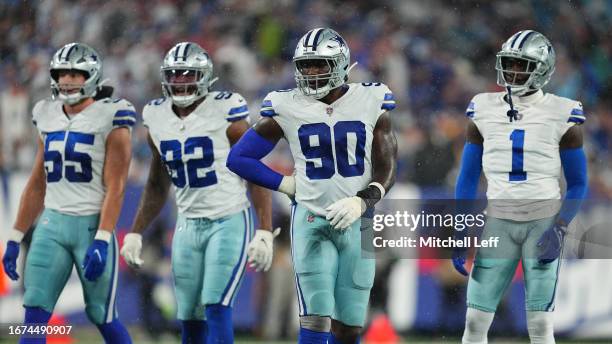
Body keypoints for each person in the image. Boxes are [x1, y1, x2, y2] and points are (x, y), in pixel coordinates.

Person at [226, 28, 398, 344]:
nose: (311, 72)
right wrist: (287, 184)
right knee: (316, 319)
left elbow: (388, 164)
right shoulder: (287, 105)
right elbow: (238, 159)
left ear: (342, 64)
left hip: (359, 223)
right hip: (311, 218)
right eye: (306, 65)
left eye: (319, 64)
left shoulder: (371, 99)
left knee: (349, 327)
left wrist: (363, 200)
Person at [119, 42, 274, 344]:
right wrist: (136, 232)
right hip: (188, 224)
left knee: (216, 302)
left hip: (228, 219)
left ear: (205, 77)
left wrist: (265, 230)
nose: (180, 82)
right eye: (175, 76)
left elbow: (255, 170)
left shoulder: (227, 111)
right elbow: (156, 181)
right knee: (189, 314)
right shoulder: (156, 116)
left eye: (188, 74)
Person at [453, 30, 588, 344]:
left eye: (521, 64)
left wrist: (560, 227)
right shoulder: (482, 107)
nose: (512, 71)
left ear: (542, 69)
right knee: (474, 321)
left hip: (542, 223)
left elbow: (579, 184)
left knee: (540, 325)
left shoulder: (563, 112)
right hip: (497, 221)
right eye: (509, 63)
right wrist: (460, 229)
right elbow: (467, 178)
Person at [1, 42, 134, 343]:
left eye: (75, 74)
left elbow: (117, 185)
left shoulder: (112, 115)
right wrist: (15, 236)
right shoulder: (46, 114)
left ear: (92, 76)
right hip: (51, 224)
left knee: (101, 314)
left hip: (90, 226)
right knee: (33, 315)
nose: (67, 80)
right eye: (62, 73)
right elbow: (37, 182)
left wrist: (102, 238)